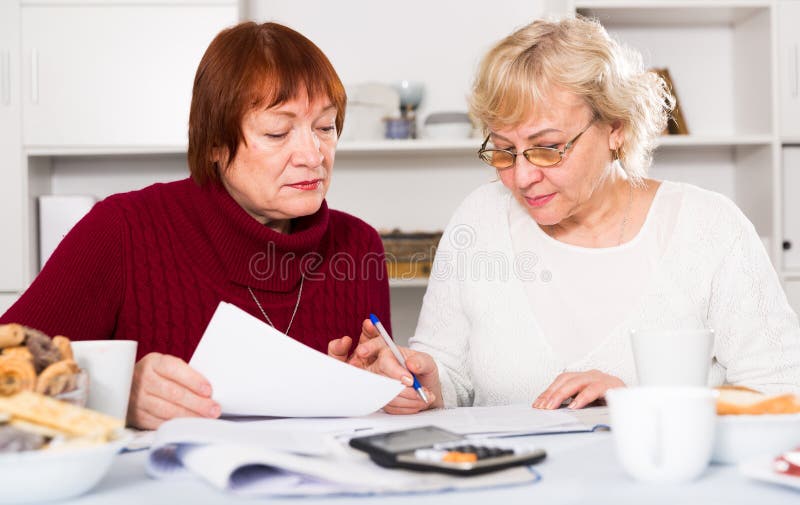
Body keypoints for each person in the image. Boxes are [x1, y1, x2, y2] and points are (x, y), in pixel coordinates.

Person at [329, 16, 800, 414]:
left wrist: (638, 404)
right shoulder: (480, 220)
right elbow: (449, 375)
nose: (521, 177)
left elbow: (781, 395)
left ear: (616, 127)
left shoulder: (709, 227)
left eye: (548, 149)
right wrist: (426, 383)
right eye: (504, 150)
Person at [0, 22, 391, 429]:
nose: (314, 155)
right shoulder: (122, 230)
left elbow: (372, 412)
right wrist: (114, 394)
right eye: (278, 132)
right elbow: (7, 370)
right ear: (215, 145)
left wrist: (378, 388)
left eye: (325, 128)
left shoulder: (359, 245)